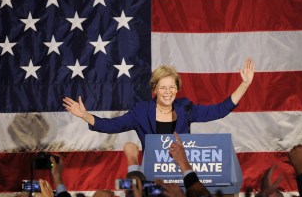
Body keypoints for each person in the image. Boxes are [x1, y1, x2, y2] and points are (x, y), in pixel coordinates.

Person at [63, 57, 255, 149]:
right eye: (163, 88)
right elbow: (112, 126)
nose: (168, 92)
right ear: (154, 89)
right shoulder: (140, 111)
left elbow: (220, 110)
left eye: (172, 87)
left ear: (177, 89)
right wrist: (85, 115)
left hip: (181, 174)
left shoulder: (185, 108)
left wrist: (245, 84)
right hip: (153, 178)